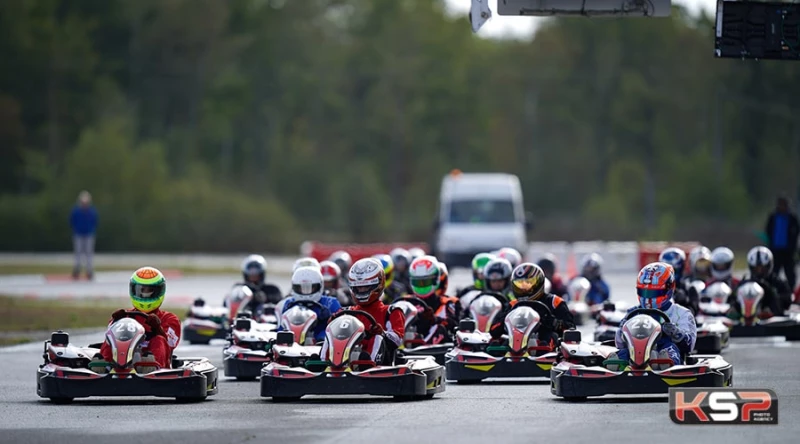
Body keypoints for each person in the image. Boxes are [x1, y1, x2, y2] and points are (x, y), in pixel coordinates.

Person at [607, 262, 696, 370]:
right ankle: (617, 364)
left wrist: (676, 333)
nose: (648, 298)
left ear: (669, 288)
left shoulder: (682, 313)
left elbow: (689, 346)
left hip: (666, 348)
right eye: (644, 292)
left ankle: (664, 362)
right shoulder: (632, 313)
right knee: (624, 352)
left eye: (654, 293)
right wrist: (622, 332)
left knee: (670, 348)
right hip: (635, 352)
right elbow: (620, 344)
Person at [320, 258, 404, 365]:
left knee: (377, 338)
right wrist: (333, 322)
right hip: (346, 358)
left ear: (378, 285)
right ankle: (322, 363)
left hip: (380, 363)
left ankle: (368, 364)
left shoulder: (391, 312)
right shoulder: (346, 312)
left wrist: (382, 333)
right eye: (358, 288)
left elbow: (398, 340)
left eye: (366, 287)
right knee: (330, 333)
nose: (361, 290)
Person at [98, 267, 181, 369]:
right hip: (123, 358)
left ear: (159, 292)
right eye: (141, 290)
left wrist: (157, 328)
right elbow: (109, 335)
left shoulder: (169, 318)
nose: (144, 294)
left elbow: (170, 343)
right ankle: (103, 366)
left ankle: (151, 367)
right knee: (111, 339)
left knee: (159, 340)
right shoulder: (126, 315)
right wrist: (115, 321)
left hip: (154, 363)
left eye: (149, 290)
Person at [509, 263, 575, 347]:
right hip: (515, 341)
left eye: (528, 283)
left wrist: (555, 322)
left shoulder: (554, 302)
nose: (524, 288)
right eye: (520, 284)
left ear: (539, 282)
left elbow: (571, 328)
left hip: (546, 345)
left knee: (551, 336)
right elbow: (497, 328)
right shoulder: (513, 304)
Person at [278, 267, 341, 343]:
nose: (305, 292)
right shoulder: (289, 303)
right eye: (301, 288)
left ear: (320, 286)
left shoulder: (330, 303)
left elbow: (338, 330)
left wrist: (328, 318)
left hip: (320, 343)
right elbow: (282, 328)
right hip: (292, 341)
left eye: (311, 288)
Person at [407, 257, 459, 344]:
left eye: (425, 282)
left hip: (438, 349)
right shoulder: (406, 301)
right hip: (406, 348)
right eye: (418, 282)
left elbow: (455, 327)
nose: (421, 286)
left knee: (439, 328)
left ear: (436, 280)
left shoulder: (448, 303)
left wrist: (434, 320)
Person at [733, 246, 790, 316]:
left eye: (763, 269)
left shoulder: (778, 282)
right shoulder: (745, 282)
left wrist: (770, 292)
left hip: (770, 317)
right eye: (756, 269)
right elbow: (733, 298)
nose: (759, 271)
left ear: (769, 266)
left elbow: (787, 302)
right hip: (746, 315)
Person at [765, 195, 800, 289]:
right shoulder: (773, 217)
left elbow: (796, 232)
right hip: (775, 250)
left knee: (790, 273)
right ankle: (771, 289)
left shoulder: (792, 218)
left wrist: (793, 247)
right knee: (773, 272)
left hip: (788, 251)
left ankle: (791, 290)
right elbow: (768, 230)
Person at [69, 190, 98, 280]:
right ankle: (77, 270)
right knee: (78, 253)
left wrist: (91, 230)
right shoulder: (76, 211)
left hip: (89, 234)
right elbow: (72, 221)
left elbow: (95, 222)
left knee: (89, 253)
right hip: (78, 234)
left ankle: (89, 271)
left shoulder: (92, 211)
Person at [659, 248, 696, 315]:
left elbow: (694, 313)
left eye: (673, 270)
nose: (669, 275)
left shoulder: (689, 288)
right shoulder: (656, 287)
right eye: (666, 272)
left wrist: (684, 301)